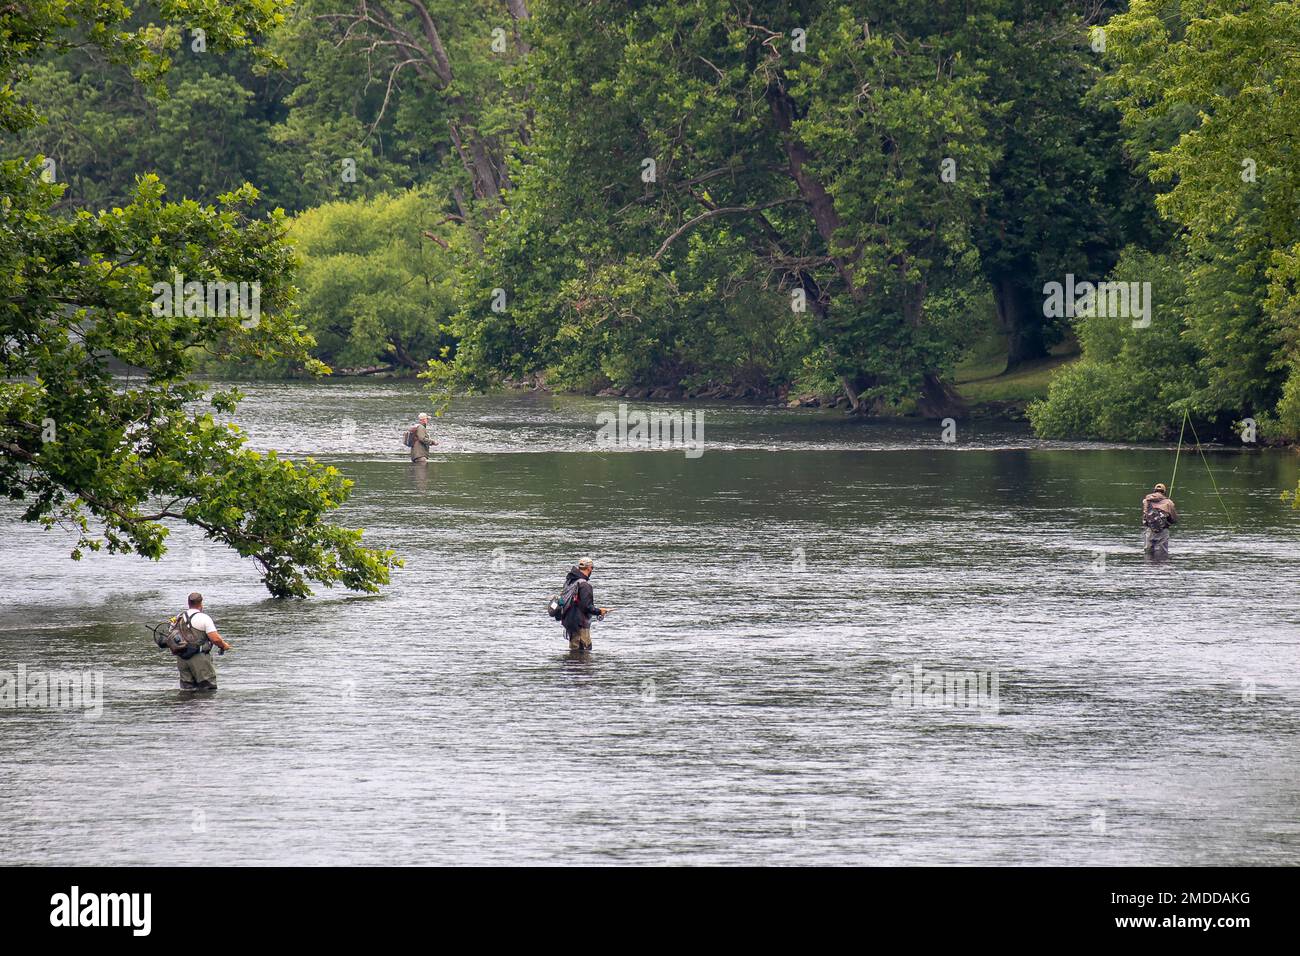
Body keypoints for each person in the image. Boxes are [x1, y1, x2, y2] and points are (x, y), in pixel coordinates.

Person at [172, 592, 232, 690]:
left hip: (182, 658)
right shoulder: (204, 618)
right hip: (199, 658)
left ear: (188, 603)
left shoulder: (178, 617)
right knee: (207, 688)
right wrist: (224, 646)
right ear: (201, 603)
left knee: (186, 689)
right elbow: (215, 639)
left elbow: (171, 635)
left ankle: (187, 705)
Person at [562, 557, 611, 651]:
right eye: (592, 568)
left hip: (570, 624)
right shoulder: (585, 585)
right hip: (580, 625)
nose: (592, 570)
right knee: (584, 655)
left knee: (574, 654)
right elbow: (587, 607)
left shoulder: (570, 581)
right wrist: (600, 611)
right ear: (589, 568)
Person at [1141, 482, 1178, 558]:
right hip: (1163, 531)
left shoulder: (1146, 501)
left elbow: (1145, 515)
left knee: (1148, 553)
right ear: (1164, 492)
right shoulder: (1168, 502)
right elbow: (1174, 519)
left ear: (1155, 490)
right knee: (1162, 554)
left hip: (1149, 530)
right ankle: (1161, 569)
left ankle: (1148, 569)